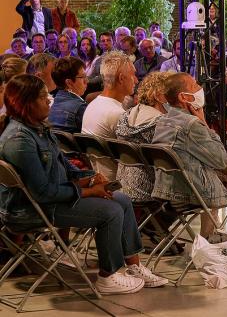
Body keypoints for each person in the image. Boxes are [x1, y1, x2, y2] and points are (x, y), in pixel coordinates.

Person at [0, 74, 166, 294]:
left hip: (50, 200)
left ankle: (133, 266)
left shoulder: (38, 127)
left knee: (122, 199)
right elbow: (43, 192)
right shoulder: (19, 140)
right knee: (111, 211)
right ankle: (108, 276)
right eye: (43, 98)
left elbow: (62, 166)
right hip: (32, 209)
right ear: (26, 103)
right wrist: (88, 191)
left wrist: (88, 177)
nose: (49, 102)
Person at [153, 73, 227, 272]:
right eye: (194, 85)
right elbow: (221, 160)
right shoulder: (191, 125)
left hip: (171, 189)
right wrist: (204, 122)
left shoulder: (163, 120)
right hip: (198, 192)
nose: (200, 88)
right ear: (184, 97)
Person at [116, 71, 170, 203]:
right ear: (158, 96)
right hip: (152, 191)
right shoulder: (162, 125)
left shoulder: (126, 117)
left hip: (124, 186)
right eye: (170, 92)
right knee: (215, 181)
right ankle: (217, 224)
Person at [82, 51, 137, 181]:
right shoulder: (116, 113)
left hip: (99, 178)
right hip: (116, 184)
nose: (136, 80)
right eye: (133, 75)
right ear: (121, 78)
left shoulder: (93, 105)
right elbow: (135, 160)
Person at [48, 57, 88, 133]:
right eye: (83, 77)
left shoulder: (53, 102)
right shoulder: (80, 108)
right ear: (69, 83)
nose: (87, 81)